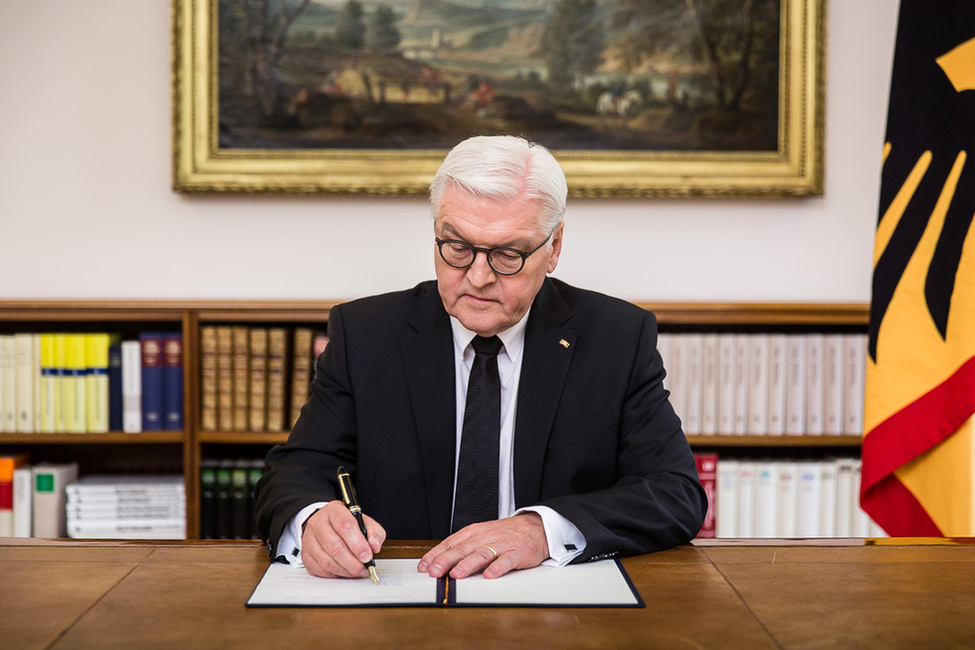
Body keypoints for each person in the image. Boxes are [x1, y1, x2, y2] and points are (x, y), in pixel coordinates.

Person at [254, 135, 706, 582]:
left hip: (554, 604)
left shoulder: (616, 338)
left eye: (508, 254)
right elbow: (294, 472)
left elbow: (676, 493)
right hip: (400, 596)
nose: (478, 276)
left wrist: (542, 532)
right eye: (457, 247)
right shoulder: (366, 334)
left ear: (554, 248)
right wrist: (312, 520)